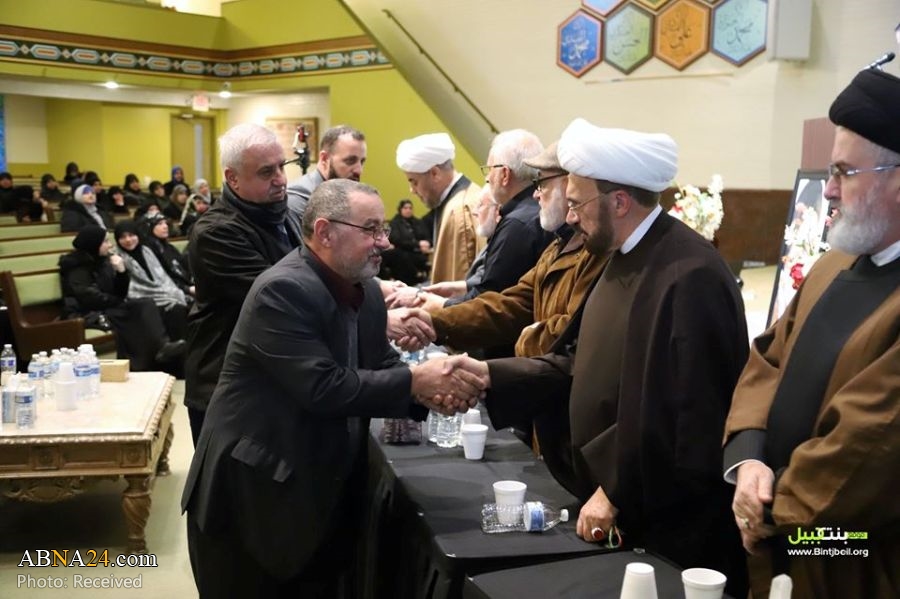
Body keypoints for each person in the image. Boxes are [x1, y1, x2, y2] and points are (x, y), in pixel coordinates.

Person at [451, 118, 749, 596]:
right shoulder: (622, 254)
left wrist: (616, 492)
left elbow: (690, 416)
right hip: (606, 492)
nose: (570, 218)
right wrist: (489, 374)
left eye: (577, 203)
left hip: (662, 524)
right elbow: (575, 359)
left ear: (620, 202)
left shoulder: (689, 274)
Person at [181, 179, 484, 597]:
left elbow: (380, 362)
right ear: (324, 232)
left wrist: (429, 391)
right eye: (371, 230)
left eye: (384, 229)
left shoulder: (364, 288)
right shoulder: (282, 290)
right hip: (255, 494)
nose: (384, 242)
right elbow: (323, 386)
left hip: (316, 488)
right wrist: (417, 381)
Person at [723, 68, 900, 599]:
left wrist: (766, 511)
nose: (828, 190)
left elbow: (870, 443)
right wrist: (749, 460)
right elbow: (768, 358)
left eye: (844, 172)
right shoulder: (832, 265)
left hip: (857, 551)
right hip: (780, 529)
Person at [391, 141, 605, 359]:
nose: (536, 194)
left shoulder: (590, 249)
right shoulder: (558, 244)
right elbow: (513, 303)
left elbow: (562, 338)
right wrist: (435, 322)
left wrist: (524, 340)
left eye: (541, 183)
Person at [184, 123, 302, 445]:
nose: (281, 179)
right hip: (226, 391)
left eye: (282, 166)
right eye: (266, 172)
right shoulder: (216, 232)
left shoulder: (284, 214)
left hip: (273, 383)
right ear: (232, 178)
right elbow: (281, 296)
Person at [59, 226, 185, 371]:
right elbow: (89, 298)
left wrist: (121, 272)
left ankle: (164, 351)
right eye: (105, 241)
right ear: (94, 244)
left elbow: (120, 292)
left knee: (149, 304)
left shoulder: (103, 261)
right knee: (139, 312)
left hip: (109, 306)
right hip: (88, 312)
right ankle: (156, 352)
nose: (110, 245)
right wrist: (118, 301)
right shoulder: (76, 268)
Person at [396, 132, 484, 283]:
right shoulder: (465, 197)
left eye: (414, 182)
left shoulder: (459, 211)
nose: (412, 190)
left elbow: (460, 282)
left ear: (435, 173)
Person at [114, 221, 189, 342]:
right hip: (139, 300)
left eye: (131, 235)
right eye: (122, 237)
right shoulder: (117, 259)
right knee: (173, 311)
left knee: (180, 307)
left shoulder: (147, 251)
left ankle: (184, 347)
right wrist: (120, 271)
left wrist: (182, 289)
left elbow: (165, 275)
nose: (128, 240)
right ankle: (175, 348)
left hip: (162, 293)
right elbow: (121, 290)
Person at [285, 124, 366, 223]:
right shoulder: (298, 200)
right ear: (324, 158)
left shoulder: (344, 195)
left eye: (362, 162)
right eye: (350, 161)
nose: (359, 170)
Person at [141, 212, 194, 298]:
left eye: (165, 223)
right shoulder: (147, 251)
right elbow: (160, 279)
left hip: (185, 287)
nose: (165, 226)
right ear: (149, 227)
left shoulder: (169, 247)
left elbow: (185, 267)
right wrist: (187, 289)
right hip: (167, 293)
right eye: (160, 224)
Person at [380, 199, 431, 285]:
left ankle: (420, 277)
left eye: (410, 208)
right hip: (404, 251)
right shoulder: (395, 223)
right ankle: (417, 276)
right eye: (405, 208)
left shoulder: (418, 222)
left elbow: (427, 236)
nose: (408, 210)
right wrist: (417, 244)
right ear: (400, 209)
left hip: (420, 251)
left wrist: (427, 243)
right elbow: (397, 240)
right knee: (402, 256)